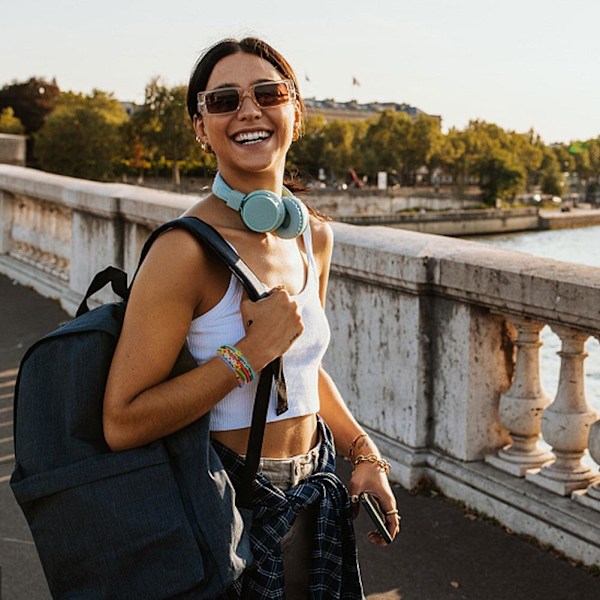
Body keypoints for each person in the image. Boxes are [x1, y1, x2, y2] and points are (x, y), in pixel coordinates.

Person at [103, 37, 399, 599]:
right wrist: (248, 354)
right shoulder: (184, 251)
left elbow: (302, 369)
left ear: (295, 112)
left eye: (268, 92)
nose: (248, 109)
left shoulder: (313, 234)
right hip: (223, 498)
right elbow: (123, 422)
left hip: (316, 486)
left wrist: (363, 450)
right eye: (223, 100)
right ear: (200, 126)